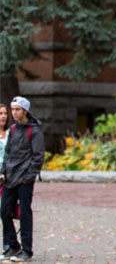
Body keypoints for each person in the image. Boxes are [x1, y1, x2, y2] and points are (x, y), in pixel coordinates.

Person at [0, 96, 45, 262]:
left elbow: (38, 156)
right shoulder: (12, 129)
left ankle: (27, 250)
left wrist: (29, 176)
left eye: (17, 109)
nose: (13, 113)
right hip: (10, 178)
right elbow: (8, 154)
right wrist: (3, 172)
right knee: (4, 211)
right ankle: (13, 246)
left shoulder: (33, 130)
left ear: (25, 111)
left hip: (25, 180)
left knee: (25, 214)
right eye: (12, 109)